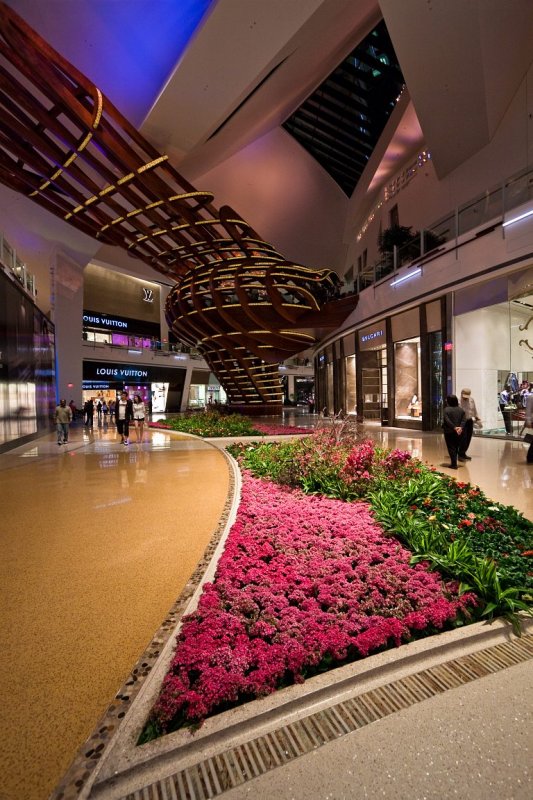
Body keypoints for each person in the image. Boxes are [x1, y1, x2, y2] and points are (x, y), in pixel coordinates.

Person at [442, 394, 466, 469]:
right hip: (460, 432)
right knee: (456, 446)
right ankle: (454, 462)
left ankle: (454, 464)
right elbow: (464, 420)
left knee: (451, 447)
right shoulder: (461, 410)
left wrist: (454, 427)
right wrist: (460, 428)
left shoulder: (446, 410)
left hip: (449, 431)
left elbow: (447, 420)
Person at [458, 388, 480, 461]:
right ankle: (460, 454)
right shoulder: (458, 401)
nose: (465, 398)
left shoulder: (471, 400)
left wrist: (477, 417)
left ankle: (463, 453)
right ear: (461, 394)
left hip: (469, 421)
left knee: (468, 437)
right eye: (464, 396)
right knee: (463, 438)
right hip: (461, 421)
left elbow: (474, 409)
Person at [525, 390, 533, 464]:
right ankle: (530, 457)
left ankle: (530, 457)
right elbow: (528, 411)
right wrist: (528, 421)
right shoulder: (530, 397)